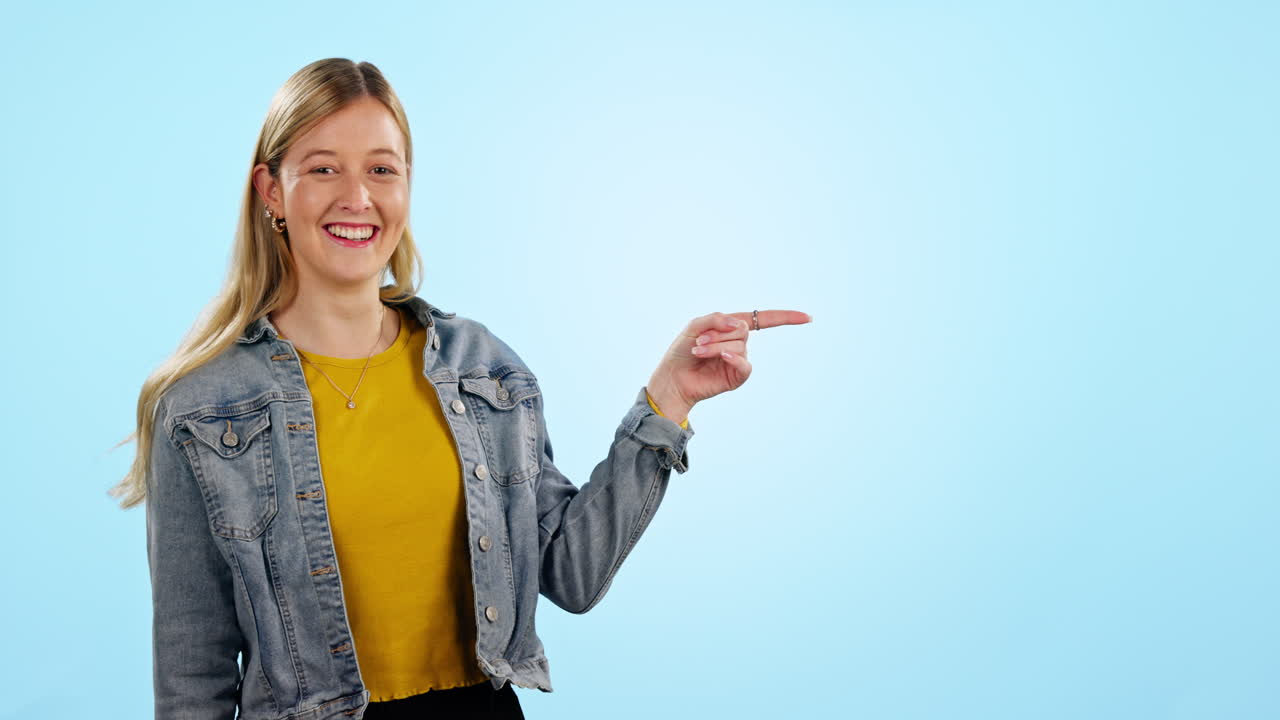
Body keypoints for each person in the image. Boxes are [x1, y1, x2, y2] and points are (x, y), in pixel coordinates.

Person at [111, 57, 811, 720]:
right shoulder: (199, 408)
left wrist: (669, 402)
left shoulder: (484, 370)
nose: (357, 197)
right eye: (323, 168)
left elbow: (571, 572)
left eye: (381, 169)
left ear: (406, 186)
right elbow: (192, 671)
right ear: (272, 191)